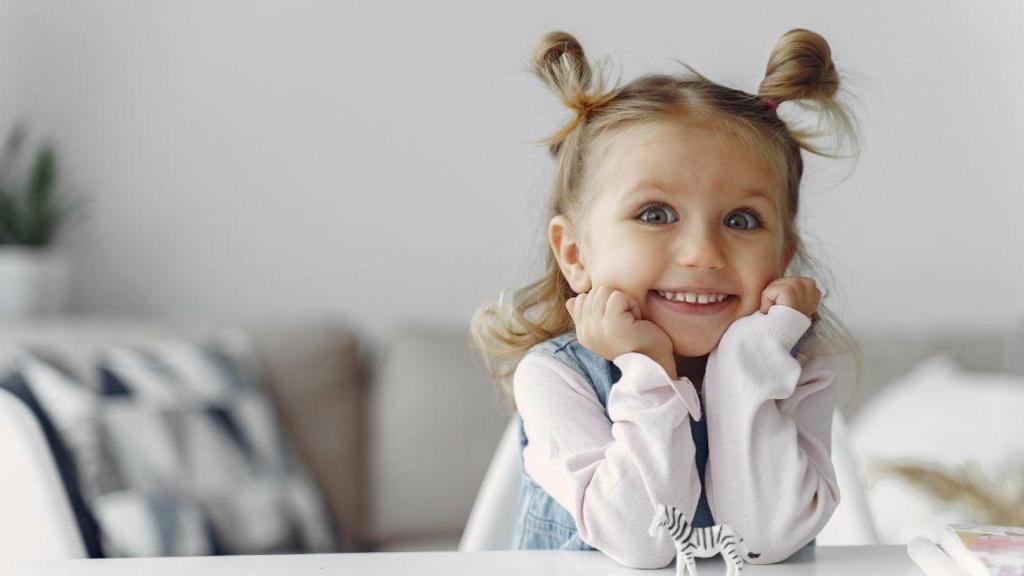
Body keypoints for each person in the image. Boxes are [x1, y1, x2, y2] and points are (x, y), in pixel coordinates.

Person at [471, 28, 864, 568]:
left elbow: (764, 539)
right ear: (575, 254)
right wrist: (647, 369)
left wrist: (745, 366)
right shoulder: (554, 378)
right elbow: (642, 543)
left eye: (741, 220)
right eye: (655, 214)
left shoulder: (799, 370)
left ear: (781, 255)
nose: (703, 252)